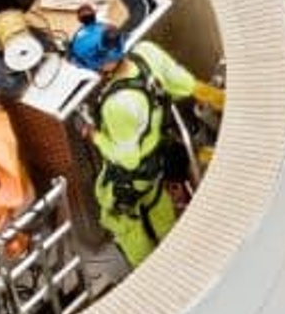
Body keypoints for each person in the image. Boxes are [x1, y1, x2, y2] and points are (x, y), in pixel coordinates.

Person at [86, 45, 206, 266]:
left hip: (130, 178)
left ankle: (149, 270)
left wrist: (96, 137)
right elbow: (183, 86)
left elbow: (128, 160)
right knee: (157, 203)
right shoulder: (146, 52)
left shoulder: (117, 105)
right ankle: (180, 254)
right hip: (154, 163)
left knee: (121, 219)